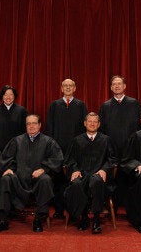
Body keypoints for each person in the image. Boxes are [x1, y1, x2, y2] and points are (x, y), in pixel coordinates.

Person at [0, 115, 64, 233]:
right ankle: (3, 220)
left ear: (40, 125)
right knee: (6, 179)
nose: (31, 126)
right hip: (18, 179)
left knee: (45, 180)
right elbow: (7, 158)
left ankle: (38, 219)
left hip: (38, 180)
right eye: (28, 124)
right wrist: (10, 168)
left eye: (34, 123)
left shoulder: (49, 142)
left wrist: (43, 169)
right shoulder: (17, 141)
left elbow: (57, 160)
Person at [64, 112, 117, 234]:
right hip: (82, 174)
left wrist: (104, 170)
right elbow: (70, 160)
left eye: (95, 122)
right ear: (85, 123)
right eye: (89, 121)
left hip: (99, 175)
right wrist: (75, 170)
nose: (92, 124)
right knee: (76, 184)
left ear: (98, 124)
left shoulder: (106, 140)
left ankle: (96, 220)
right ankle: (83, 217)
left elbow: (112, 160)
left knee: (97, 181)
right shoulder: (77, 140)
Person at [45, 78, 88, 219]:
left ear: (75, 88)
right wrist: (52, 147)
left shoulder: (80, 105)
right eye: (65, 86)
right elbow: (50, 127)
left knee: (74, 178)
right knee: (58, 180)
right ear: (62, 88)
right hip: (58, 149)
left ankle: (74, 209)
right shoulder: (54, 105)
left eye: (71, 86)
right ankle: (59, 209)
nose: (68, 88)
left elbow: (84, 128)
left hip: (76, 149)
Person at [98, 75, 141, 209]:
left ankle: (132, 206)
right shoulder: (105, 106)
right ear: (111, 88)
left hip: (131, 148)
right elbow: (102, 128)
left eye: (119, 84)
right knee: (113, 177)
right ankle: (113, 206)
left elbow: (140, 126)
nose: (117, 86)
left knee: (131, 177)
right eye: (114, 84)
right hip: (112, 148)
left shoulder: (134, 103)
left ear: (124, 86)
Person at [0, 85, 28, 150]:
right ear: (2, 96)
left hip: (16, 148)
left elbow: (25, 131)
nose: (8, 97)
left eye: (11, 94)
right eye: (5, 94)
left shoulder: (22, 111)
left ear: (14, 96)